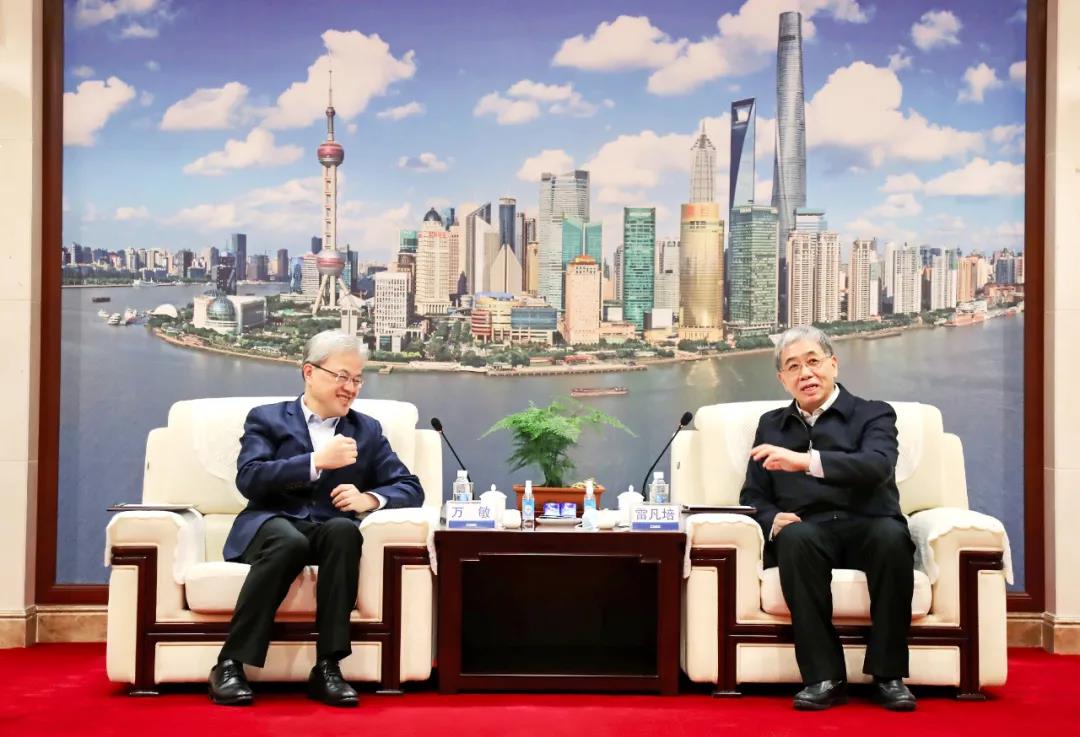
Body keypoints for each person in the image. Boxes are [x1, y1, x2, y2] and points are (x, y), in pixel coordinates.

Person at [208, 330, 424, 707]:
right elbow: (249, 479)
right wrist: (314, 462)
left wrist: (369, 498)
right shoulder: (267, 419)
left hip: (325, 530)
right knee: (289, 541)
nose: (351, 388)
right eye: (342, 377)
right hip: (270, 524)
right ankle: (229, 664)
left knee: (344, 531)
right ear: (309, 372)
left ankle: (328, 667)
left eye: (357, 379)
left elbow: (410, 487)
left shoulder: (366, 430)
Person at [739, 325, 917, 712]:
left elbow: (877, 466)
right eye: (793, 366)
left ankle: (888, 675)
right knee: (794, 539)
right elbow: (752, 495)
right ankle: (824, 677)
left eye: (813, 361)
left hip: (869, 523)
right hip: (809, 530)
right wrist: (772, 518)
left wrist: (805, 461)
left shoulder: (873, 413)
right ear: (782, 379)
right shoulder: (771, 425)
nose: (805, 373)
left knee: (892, 538)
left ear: (833, 364)